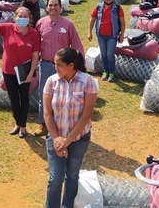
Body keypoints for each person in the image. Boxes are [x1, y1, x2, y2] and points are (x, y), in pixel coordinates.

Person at [43, 47, 98, 208]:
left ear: (71, 65)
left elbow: (86, 115)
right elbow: (47, 113)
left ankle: (68, 205)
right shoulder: (51, 82)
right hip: (55, 138)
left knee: (72, 176)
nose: (55, 68)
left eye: (59, 64)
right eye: (55, 64)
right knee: (55, 178)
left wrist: (66, 142)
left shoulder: (88, 82)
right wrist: (57, 139)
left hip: (79, 140)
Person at [0, 0, 40, 138]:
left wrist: (31, 73)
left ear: (30, 19)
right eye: (20, 15)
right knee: (13, 99)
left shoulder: (34, 34)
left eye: (25, 16)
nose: (22, 18)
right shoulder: (8, 28)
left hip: (25, 72)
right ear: (15, 17)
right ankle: (18, 123)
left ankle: (23, 127)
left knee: (24, 99)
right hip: (9, 71)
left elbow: (35, 55)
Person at [35, 0, 84, 136]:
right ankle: (42, 123)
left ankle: (60, 124)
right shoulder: (40, 23)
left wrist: (80, 65)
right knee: (43, 95)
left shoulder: (68, 24)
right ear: (46, 8)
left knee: (62, 95)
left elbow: (76, 45)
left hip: (63, 67)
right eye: (50, 5)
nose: (53, 7)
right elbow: (35, 44)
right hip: (45, 64)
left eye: (56, 5)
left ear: (60, 8)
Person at [87, 0, 125, 82]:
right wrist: (89, 32)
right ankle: (105, 72)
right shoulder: (98, 7)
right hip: (101, 35)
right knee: (103, 55)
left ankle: (111, 73)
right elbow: (92, 20)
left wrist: (122, 34)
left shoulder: (118, 8)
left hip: (112, 35)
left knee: (109, 55)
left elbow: (122, 22)